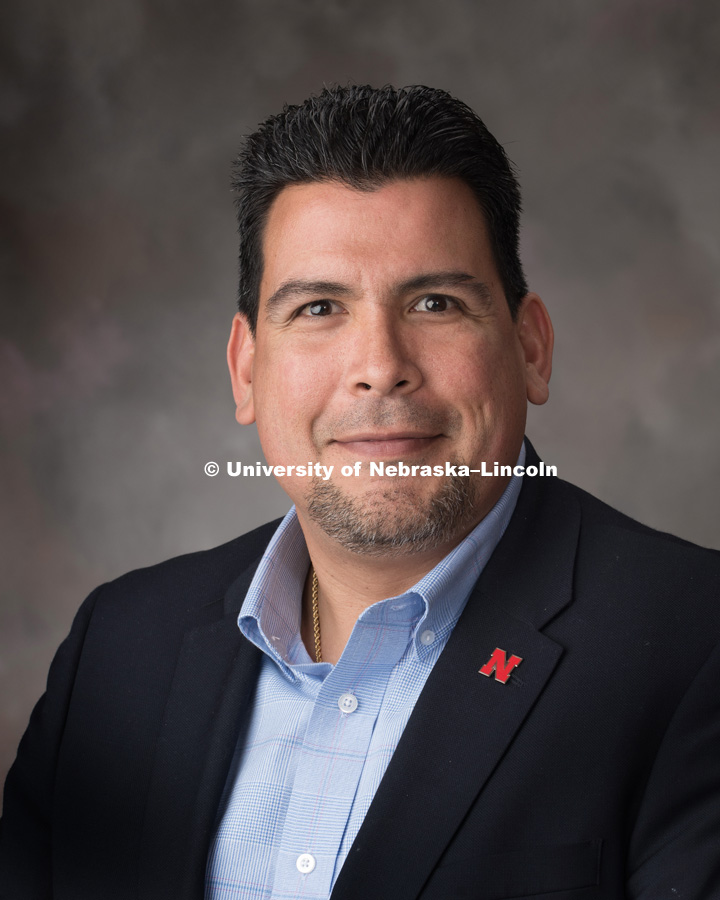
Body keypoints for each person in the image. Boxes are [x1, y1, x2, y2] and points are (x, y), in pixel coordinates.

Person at [1, 84, 719, 900]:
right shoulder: (120, 647)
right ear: (245, 370)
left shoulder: (695, 643)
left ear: (530, 349)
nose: (380, 363)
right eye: (317, 308)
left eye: (436, 303)